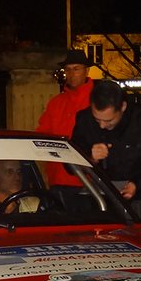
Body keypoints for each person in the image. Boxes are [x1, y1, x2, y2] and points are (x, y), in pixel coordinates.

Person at [71, 80, 141, 230]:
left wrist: (138, 185)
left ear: (123, 106)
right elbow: (69, 163)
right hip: (101, 204)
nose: (102, 126)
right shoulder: (84, 120)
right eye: (97, 120)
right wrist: (90, 158)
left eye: (108, 120)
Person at [36, 49, 94, 187]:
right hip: (58, 177)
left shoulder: (96, 99)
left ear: (86, 71)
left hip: (89, 181)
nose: (71, 74)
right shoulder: (56, 102)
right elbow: (42, 134)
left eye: (76, 69)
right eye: (67, 70)